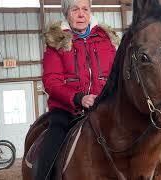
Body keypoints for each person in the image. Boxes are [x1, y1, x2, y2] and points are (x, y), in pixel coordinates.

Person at [32, 0, 119, 179]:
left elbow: (115, 75)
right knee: (51, 146)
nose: (81, 14)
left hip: (103, 108)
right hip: (67, 110)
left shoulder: (105, 39)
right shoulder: (57, 41)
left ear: (90, 12)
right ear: (66, 13)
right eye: (75, 9)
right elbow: (52, 81)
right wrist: (79, 98)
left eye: (85, 9)